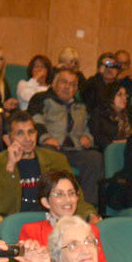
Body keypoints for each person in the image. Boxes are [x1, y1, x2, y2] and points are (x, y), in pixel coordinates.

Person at [0, 112, 96, 218]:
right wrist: (10, 167)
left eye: (31, 132)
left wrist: (89, 215)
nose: (28, 138)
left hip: (53, 221)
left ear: (36, 134)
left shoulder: (56, 159)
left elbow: (75, 197)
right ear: (7, 139)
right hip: (17, 225)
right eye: (20, 133)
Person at [18, 170, 109, 262]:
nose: (68, 200)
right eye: (59, 194)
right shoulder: (31, 230)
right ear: (46, 202)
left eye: (71, 193)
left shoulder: (91, 230)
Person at [37, 68, 103, 205]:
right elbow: (36, 121)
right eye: (64, 82)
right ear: (54, 84)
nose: (68, 87)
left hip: (75, 150)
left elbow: (87, 128)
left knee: (95, 158)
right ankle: (54, 203)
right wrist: (46, 137)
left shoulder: (81, 106)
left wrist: (87, 137)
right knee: (50, 154)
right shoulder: (42, 99)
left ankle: (89, 207)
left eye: (73, 84)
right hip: (52, 147)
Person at [90, 84, 132, 152]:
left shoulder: (130, 114)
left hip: (129, 150)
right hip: (110, 151)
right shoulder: (100, 114)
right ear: (111, 96)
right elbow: (98, 138)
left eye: (125, 95)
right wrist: (118, 144)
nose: (124, 98)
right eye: (119, 95)